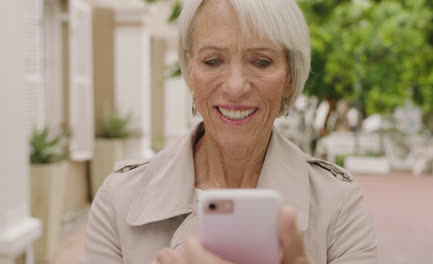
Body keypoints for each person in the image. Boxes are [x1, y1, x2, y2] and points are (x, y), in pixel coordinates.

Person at [82, 0, 378, 263]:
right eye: (213, 61)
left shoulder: (339, 203)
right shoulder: (119, 199)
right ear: (190, 70)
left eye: (261, 61)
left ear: (290, 75)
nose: (236, 86)